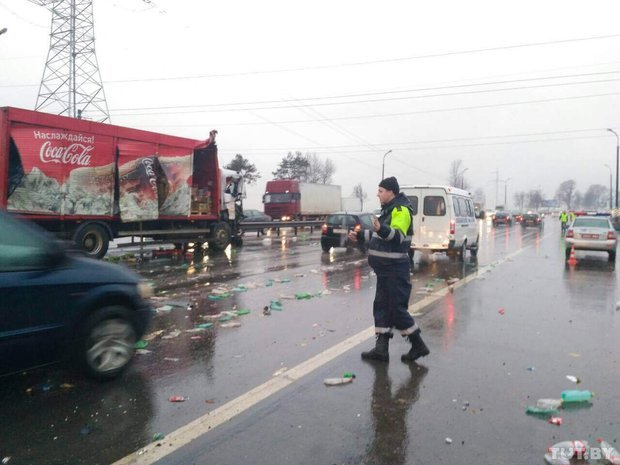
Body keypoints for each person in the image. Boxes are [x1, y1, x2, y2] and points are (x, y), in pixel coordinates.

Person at [348, 176, 429, 362]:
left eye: (381, 191)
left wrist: (381, 229)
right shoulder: (388, 210)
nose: (377, 194)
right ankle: (381, 349)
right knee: (382, 307)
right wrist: (359, 237)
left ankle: (418, 346)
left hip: (395, 270)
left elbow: (397, 236)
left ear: (391, 192)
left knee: (396, 310)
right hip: (384, 271)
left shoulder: (400, 210)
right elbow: (379, 237)